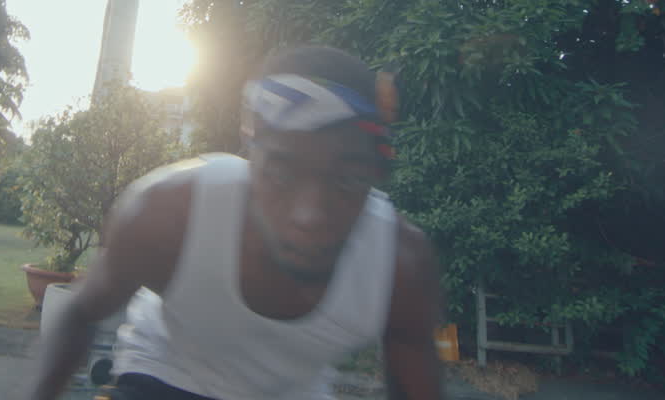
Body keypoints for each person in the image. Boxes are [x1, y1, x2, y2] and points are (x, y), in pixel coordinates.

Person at [25, 46, 445, 400]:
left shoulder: (398, 266)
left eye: (348, 180)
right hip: (163, 377)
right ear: (250, 152)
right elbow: (80, 314)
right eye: (282, 171)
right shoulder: (169, 213)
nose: (309, 215)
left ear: (373, 173)